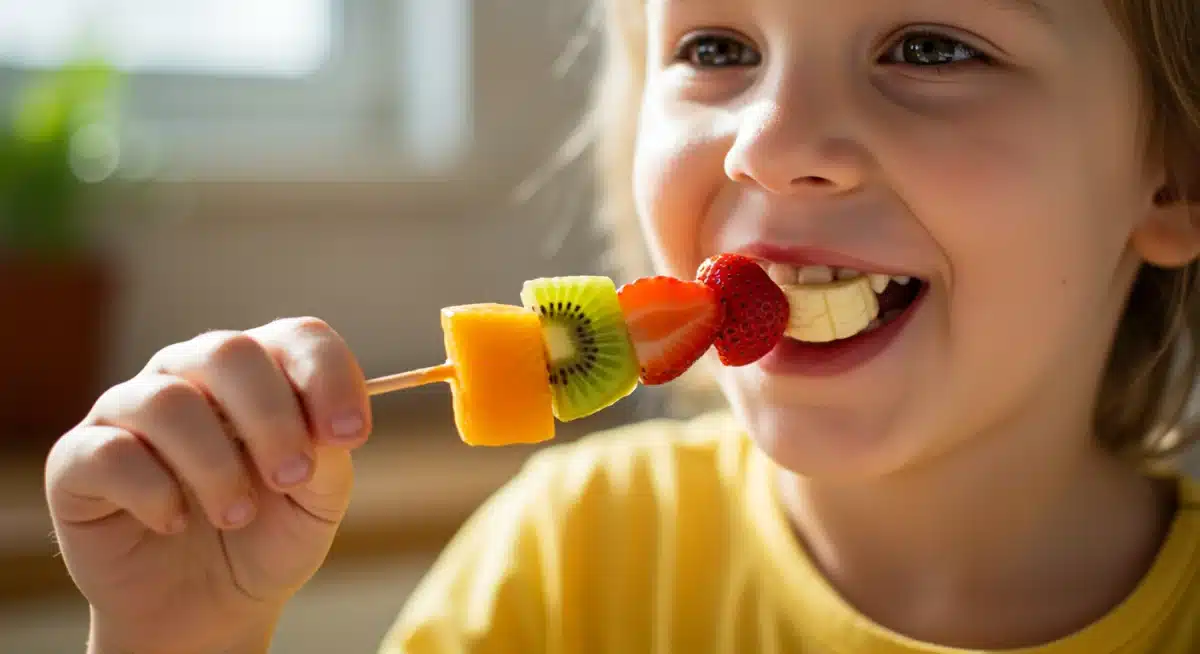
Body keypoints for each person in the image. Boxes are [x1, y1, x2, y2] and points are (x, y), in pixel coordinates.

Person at [44, 0, 1200, 652]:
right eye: (718, 48)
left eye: (934, 46)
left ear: (1175, 170)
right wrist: (181, 637)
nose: (772, 141)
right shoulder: (567, 565)